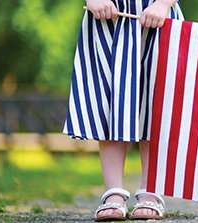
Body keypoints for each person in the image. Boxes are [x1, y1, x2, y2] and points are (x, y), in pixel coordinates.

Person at [63, 0, 183, 221]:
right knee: (111, 98)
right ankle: (113, 193)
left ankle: (151, 190)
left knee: (155, 99)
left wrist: (164, 3)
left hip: (157, 15)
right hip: (106, 16)